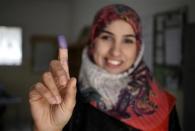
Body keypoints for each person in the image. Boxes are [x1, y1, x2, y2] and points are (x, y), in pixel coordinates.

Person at [29, 4, 181, 131]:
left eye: (127, 40)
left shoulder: (164, 105)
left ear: (138, 49)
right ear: (92, 44)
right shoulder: (67, 103)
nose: (115, 51)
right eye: (106, 37)